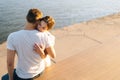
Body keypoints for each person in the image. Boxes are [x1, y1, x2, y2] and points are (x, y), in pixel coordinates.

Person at [2, 8, 56, 80]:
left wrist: (11, 79)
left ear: (26, 18)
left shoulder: (12, 37)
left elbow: (10, 63)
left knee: (3, 78)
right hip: (40, 71)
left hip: (23, 76)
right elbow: (53, 55)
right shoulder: (45, 35)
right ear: (38, 21)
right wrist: (41, 52)